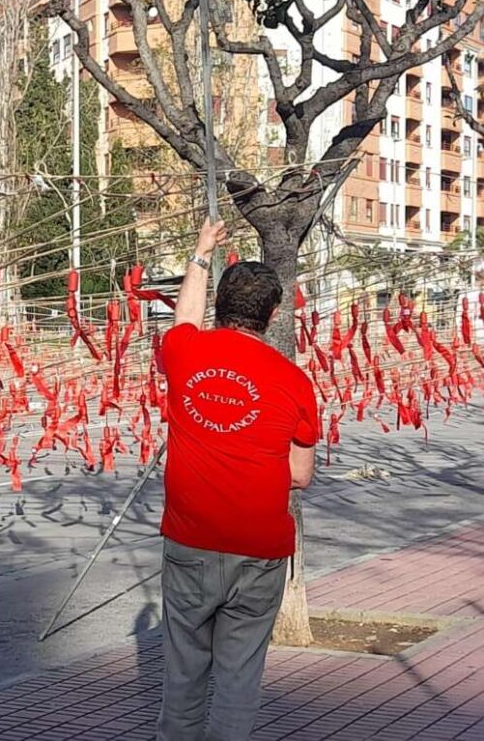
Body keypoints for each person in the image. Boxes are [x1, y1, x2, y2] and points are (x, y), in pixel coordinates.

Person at [157, 219, 318, 741]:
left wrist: (201, 252)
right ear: (272, 317)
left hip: (190, 542)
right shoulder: (294, 382)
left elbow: (183, 319)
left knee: (184, 675)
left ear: (219, 307)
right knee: (239, 681)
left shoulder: (185, 355)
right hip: (260, 551)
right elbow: (299, 476)